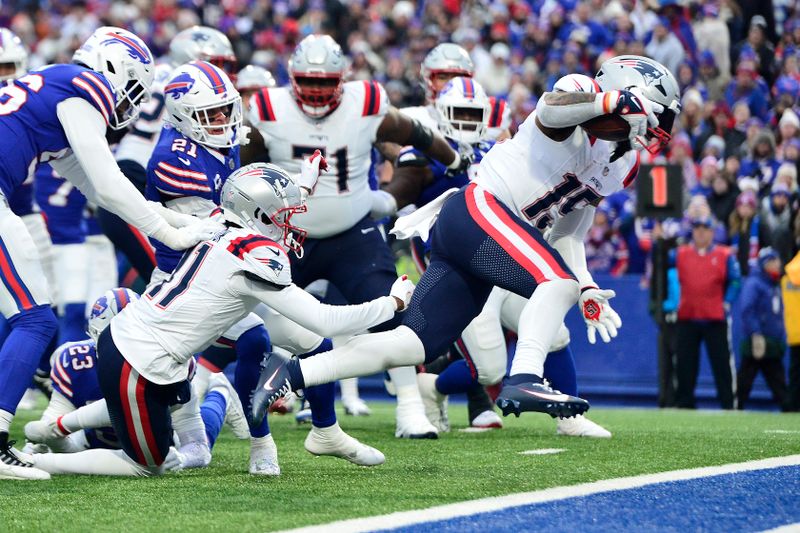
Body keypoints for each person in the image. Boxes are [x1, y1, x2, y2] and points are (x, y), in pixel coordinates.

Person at [249, 55, 680, 425]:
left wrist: (586, 285)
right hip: (480, 209)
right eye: (659, 111)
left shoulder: (622, 164)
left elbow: (570, 229)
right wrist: (611, 102)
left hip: (484, 234)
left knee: (409, 344)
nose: (661, 126)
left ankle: (294, 373)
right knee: (556, 282)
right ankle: (526, 377)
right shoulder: (581, 96)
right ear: (630, 93)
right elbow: (551, 110)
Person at [26, 162, 411, 477]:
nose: (291, 223)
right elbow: (324, 321)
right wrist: (390, 304)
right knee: (148, 465)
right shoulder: (256, 256)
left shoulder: (217, 223)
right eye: (285, 215)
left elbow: (257, 207)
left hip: (151, 349)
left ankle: (55, 428)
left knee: (177, 442)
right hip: (141, 360)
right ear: (259, 215)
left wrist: (301, 186)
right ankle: (39, 460)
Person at [0, 26, 214, 481]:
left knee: (32, 317)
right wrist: (170, 235)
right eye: (133, 90)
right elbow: (111, 183)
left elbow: (99, 187)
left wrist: (183, 223)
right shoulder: (85, 86)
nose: (129, 105)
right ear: (118, 71)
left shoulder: (55, 89)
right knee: (35, 320)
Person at [245, 34, 468, 440]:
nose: (316, 91)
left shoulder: (364, 102)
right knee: (238, 308)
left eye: (325, 82)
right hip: (287, 233)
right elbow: (242, 165)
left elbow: (412, 132)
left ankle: (410, 408)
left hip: (353, 232)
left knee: (394, 309)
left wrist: (451, 158)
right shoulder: (265, 107)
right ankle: (208, 401)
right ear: (292, 78)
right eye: (309, 81)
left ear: (342, 80)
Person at [24, 288, 247, 467]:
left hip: (163, 439)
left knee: (201, 437)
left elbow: (197, 446)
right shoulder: (75, 360)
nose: (122, 348)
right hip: (98, 443)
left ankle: (221, 392)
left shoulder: (171, 360)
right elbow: (51, 422)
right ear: (95, 336)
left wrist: (184, 458)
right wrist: (41, 441)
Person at [104, 26, 239, 284]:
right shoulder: (184, 89)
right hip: (139, 186)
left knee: (147, 273)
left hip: (138, 183)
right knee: (173, 279)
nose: (226, 74)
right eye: (216, 63)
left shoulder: (154, 78)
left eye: (226, 65)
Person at [673, 216, 741, 410]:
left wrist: (727, 302)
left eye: (705, 228)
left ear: (712, 232)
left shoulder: (724, 254)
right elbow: (664, 273)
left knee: (722, 365)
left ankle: (729, 405)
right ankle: (684, 404)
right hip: (687, 316)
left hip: (715, 318)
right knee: (685, 364)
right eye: (697, 228)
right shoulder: (680, 254)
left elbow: (736, 280)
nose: (701, 232)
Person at [737, 248, 788, 409]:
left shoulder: (774, 283)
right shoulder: (755, 283)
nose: (778, 264)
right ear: (765, 264)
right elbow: (747, 310)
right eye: (773, 261)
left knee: (778, 383)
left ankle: (790, 409)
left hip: (773, 342)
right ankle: (733, 407)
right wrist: (756, 334)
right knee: (745, 381)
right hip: (758, 341)